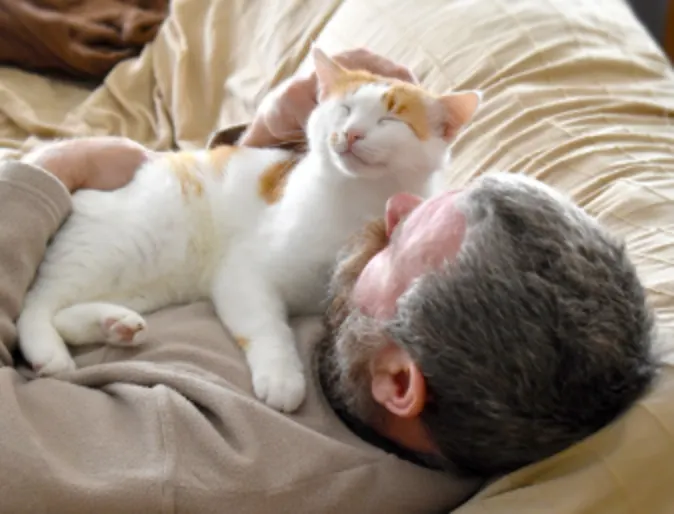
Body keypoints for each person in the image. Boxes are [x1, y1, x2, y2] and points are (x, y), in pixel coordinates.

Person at [0, 49, 654, 513]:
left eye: (399, 242)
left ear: (400, 381)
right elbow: (237, 238)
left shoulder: (188, 460)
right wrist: (264, 139)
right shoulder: (391, 362)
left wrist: (52, 169)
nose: (392, 210)